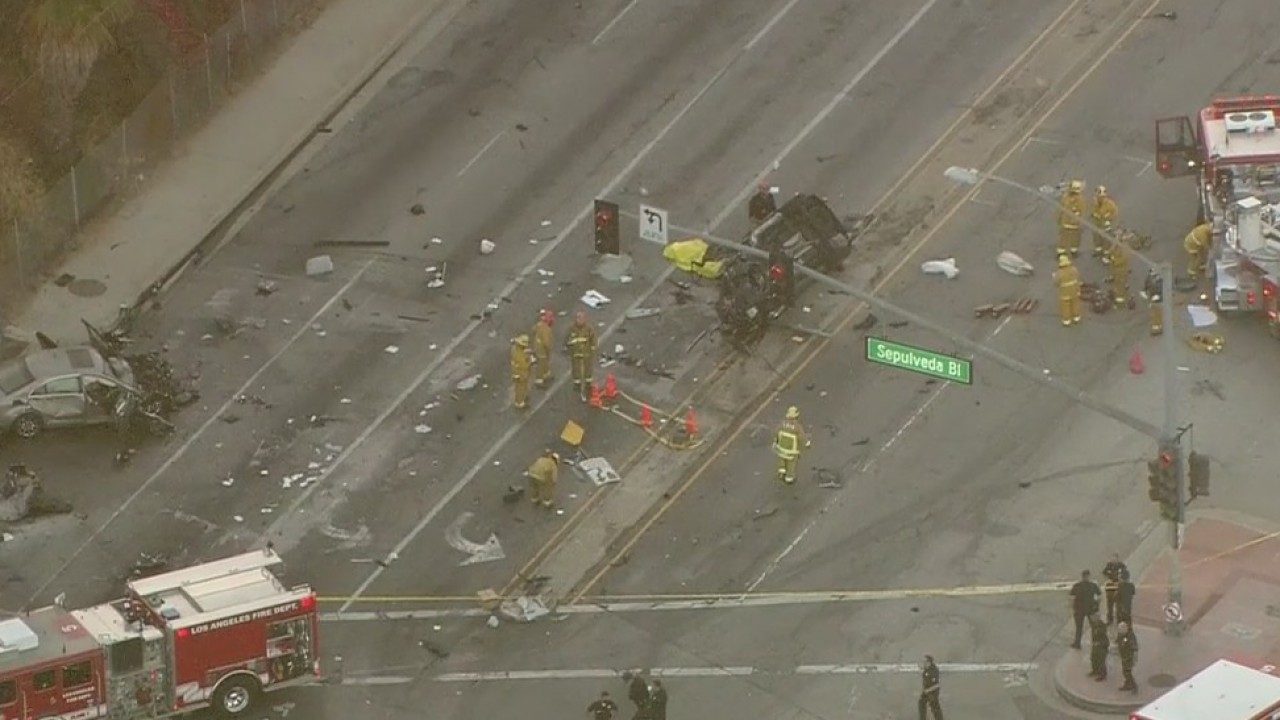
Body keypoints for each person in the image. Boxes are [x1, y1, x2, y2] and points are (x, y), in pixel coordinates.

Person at [773, 406, 811, 484]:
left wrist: (775, 441)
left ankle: (781, 471)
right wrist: (807, 443)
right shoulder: (797, 427)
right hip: (791, 451)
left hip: (781, 448)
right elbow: (802, 437)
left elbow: (776, 432)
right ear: (796, 416)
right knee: (791, 464)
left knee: (782, 460)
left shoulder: (782, 423)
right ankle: (789, 478)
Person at [565, 311, 598, 401]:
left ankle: (588, 383)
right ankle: (577, 383)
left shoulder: (589, 328)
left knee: (588, 368)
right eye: (578, 319)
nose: (580, 321)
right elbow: (567, 339)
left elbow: (593, 339)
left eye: (581, 319)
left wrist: (593, 347)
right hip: (575, 352)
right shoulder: (571, 328)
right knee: (576, 368)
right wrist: (567, 348)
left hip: (586, 352)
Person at [1069, 570, 1101, 648]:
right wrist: (1097, 605)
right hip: (1091, 609)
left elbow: (1072, 597)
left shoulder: (1077, 586)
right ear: (1089, 576)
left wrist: (1073, 607)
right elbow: (1099, 596)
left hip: (1079, 609)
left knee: (1079, 627)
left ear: (1082, 576)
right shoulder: (1093, 586)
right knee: (1094, 626)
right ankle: (1095, 642)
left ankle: (1077, 643)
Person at [1057, 180, 1086, 257]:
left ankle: (1073, 250)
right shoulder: (1066, 198)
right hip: (1067, 222)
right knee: (1064, 237)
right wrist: (1059, 218)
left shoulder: (1080, 200)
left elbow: (1082, 211)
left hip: (1074, 223)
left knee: (1075, 238)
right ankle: (1062, 251)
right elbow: (1061, 209)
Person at [1053, 253, 1083, 326]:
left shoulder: (1059, 273)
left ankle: (1067, 320)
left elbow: (1056, 283)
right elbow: (1078, 277)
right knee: (1075, 303)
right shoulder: (1073, 269)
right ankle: (1076, 317)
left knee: (1065, 306)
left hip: (1065, 292)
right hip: (1075, 290)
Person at [1090, 185, 1119, 260]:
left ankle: (1106, 253)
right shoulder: (1094, 202)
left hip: (1105, 225)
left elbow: (1115, 212)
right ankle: (1098, 250)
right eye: (1098, 196)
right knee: (1097, 238)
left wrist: (1108, 218)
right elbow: (1092, 210)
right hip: (1097, 224)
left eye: (1101, 197)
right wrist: (1093, 215)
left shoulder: (1109, 204)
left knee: (1106, 240)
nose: (1099, 198)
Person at [1102, 553, 1129, 625]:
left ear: (1117, 559)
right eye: (1112, 558)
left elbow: (1125, 574)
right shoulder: (1109, 565)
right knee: (1109, 605)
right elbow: (1104, 572)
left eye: (1114, 558)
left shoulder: (1121, 565)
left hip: (1118, 588)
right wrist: (1109, 574)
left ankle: (1118, 620)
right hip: (1110, 588)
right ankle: (1110, 619)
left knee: (1118, 605)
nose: (1113, 560)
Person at [510, 334, 533, 410]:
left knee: (520, 387)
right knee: (521, 388)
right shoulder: (519, 355)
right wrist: (530, 360)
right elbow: (524, 365)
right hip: (521, 373)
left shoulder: (515, 349)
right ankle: (520, 402)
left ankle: (521, 399)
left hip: (517, 372)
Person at [533, 309, 555, 387]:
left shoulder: (540, 324)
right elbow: (546, 343)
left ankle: (546, 374)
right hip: (542, 349)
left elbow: (534, 329)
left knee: (544, 363)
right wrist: (548, 349)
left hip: (537, 346)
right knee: (542, 364)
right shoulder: (546, 329)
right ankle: (539, 381)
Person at [1107, 236, 1130, 307]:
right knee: (1117, 283)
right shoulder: (1116, 246)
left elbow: (1123, 259)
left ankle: (1120, 301)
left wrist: (1114, 261)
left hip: (1121, 270)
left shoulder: (1125, 248)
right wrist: (1114, 245)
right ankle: (1118, 296)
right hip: (1116, 269)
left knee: (1120, 284)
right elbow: (1110, 251)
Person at [918, 655, 943, 720]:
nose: (923, 663)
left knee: (934, 707)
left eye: (924, 662)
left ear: (929, 662)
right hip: (926, 691)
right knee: (921, 703)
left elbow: (937, 685)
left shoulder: (933, 671)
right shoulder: (926, 669)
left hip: (932, 692)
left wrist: (928, 690)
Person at [1116, 621, 1139, 692]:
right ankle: (1128, 684)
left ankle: (1133, 686)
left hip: (1128, 658)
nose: (1119, 632)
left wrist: (1135, 659)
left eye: (1120, 630)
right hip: (1124, 657)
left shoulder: (1130, 636)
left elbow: (1134, 648)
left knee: (1127, 672)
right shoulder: (1121, 635)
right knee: (1125, 672)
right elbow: (1119, 642)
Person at [1088, 615, 1109, 681]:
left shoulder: (1101, 625)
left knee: (1101, 661)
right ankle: (1095, 670)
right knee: (1093, 658)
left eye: (1093, 618)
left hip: (1102, 646)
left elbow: (1102, 633)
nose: (1092, 619)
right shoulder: (1093, 625)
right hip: (1095, 645)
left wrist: (1099, 643)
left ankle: (1103, 674)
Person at [1144, 270, 1163, 335]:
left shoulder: (1160, 281)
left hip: (1157, 299)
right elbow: (1146, 285)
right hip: (1153, 297)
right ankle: (1156, 326)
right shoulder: (1149, 278)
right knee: (1154, 311)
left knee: (1156, 312)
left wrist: (1159, 296)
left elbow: (1162, 290)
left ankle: (1157, 327)